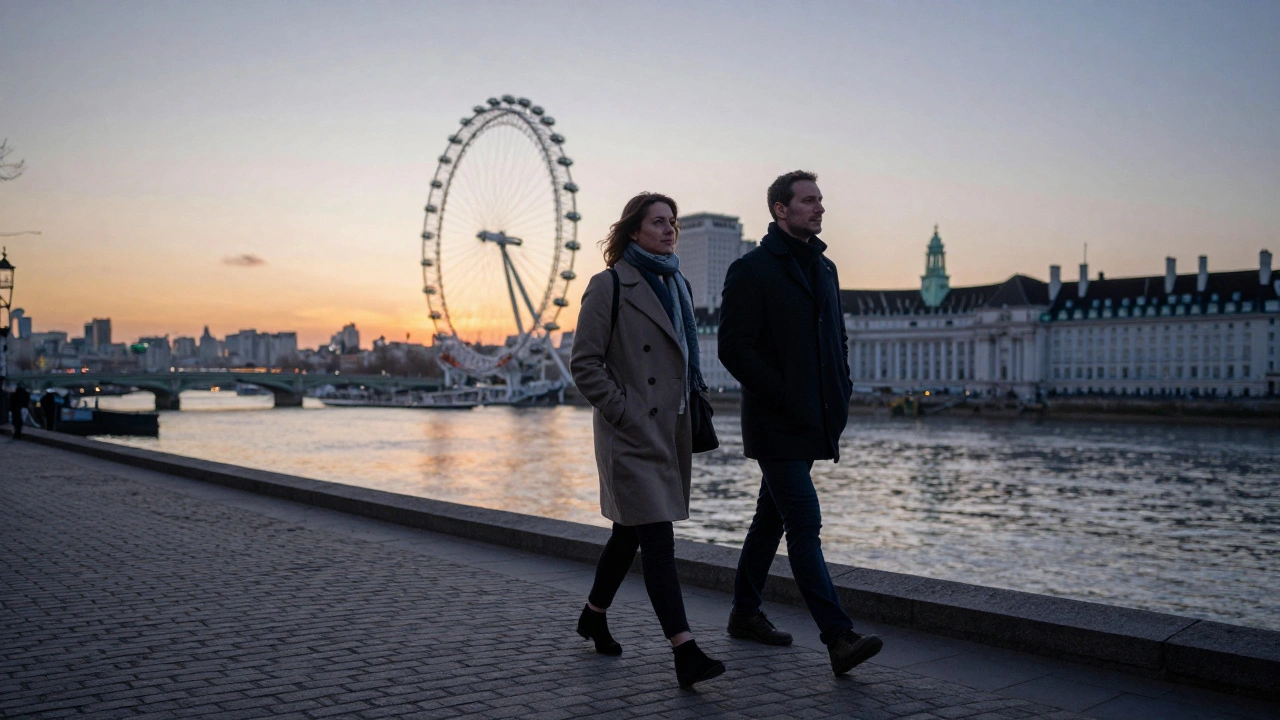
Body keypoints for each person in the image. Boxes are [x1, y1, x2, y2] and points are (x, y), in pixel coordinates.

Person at [718, 170, 884, 676]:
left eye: (820, 201)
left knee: (770, 517)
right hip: (775, 423)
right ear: (779, 209)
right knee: (804, 523)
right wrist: (786, 395)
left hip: (815, 418)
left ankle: (745, 614)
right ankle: (838, 637)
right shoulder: (751, 270)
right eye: (808, 201)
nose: (819, 208)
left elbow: (838, 338)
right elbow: (733, 349)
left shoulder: (826, 268)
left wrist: (842, 389)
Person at [569, 192, 726, 689]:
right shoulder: (609, 285)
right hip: (632, 435)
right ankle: (686, 651)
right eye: (658, 222)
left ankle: (593, 615)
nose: (669, 230)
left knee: (627, 534)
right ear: (633, 230)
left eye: (673, 222)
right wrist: (626, 411)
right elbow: (584, 363)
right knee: (658, 540)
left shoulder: (676, 283)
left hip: (670, 429)